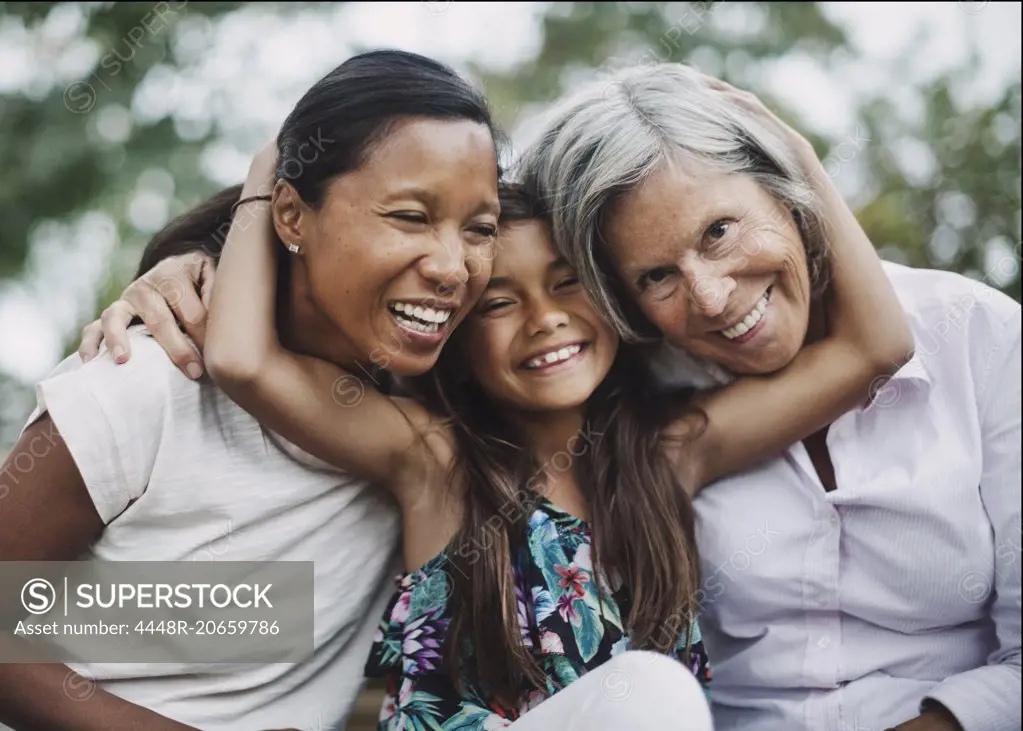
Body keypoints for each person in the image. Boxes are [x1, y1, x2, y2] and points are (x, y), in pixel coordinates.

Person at [86, 71, 913, 727]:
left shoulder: (669, 452)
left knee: (652, 697)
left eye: (565, 285)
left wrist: (792, 156)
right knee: (652, 699)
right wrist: (271, 173)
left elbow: (877, 345)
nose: (545, 320)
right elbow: (239, 356)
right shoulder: (433, 460)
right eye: (498, 302)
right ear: (456, 334)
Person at [0, 49, 508, 731]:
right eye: (410, 217)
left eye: (479, 230)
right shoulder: (146, 383)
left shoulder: (433, 426)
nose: (452, 267)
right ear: (291, 215)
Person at [514, 63, 1022, 731]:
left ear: (787, 190)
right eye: (656, 275)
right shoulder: (646, 410)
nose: (711, 296)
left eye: (718, 230)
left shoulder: (976, 334)